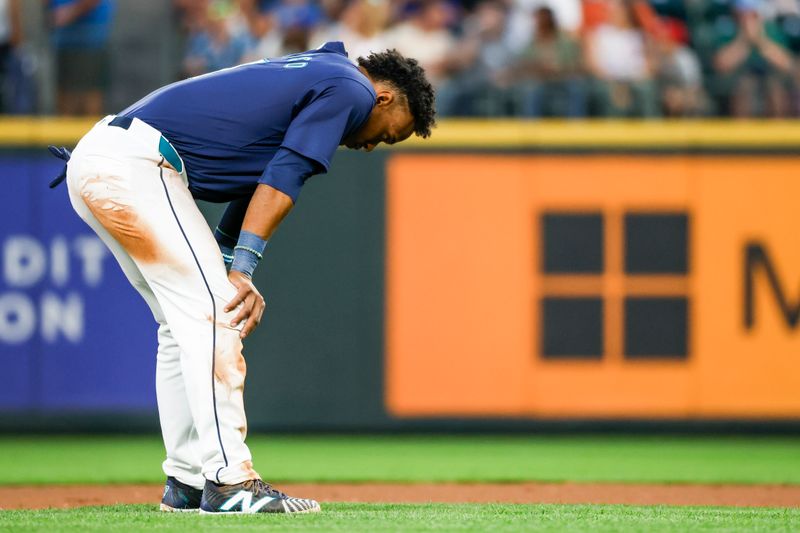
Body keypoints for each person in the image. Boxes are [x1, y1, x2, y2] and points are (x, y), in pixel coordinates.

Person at [48, 42, 435, 514]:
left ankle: (188, 480)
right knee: (217, 313)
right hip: (135, 165)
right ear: (386, 99)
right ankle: (230, 482)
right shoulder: (353, 90)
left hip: (101, 159)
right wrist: (241, 272)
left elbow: (256, 177)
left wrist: (233, 263)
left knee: (182, 325)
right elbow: (285, 176)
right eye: (390, 135)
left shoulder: (325, 73)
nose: (374, 145)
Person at [47, 0, 114, 116]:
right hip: (65, 40)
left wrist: (68, 12)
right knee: (65, 100)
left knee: (87, 99)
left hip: (88, 40)